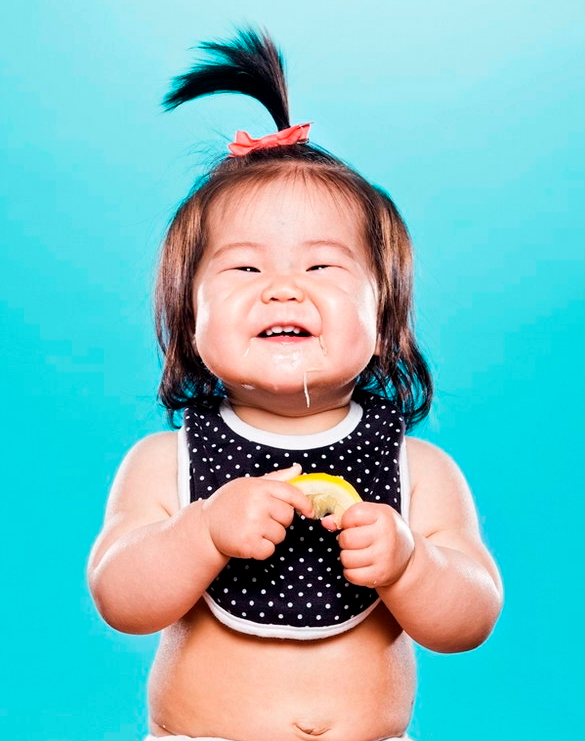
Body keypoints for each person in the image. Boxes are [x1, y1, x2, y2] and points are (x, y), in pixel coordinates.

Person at [88, 28, 503, 741]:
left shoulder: (417, 469)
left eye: (321, 268)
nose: (283, 291)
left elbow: (468, 621)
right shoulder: (166, 464)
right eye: (245, 270)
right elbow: (121, 600)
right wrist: (202, 530)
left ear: (385, 316)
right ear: (190, 319)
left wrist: (409, 562)